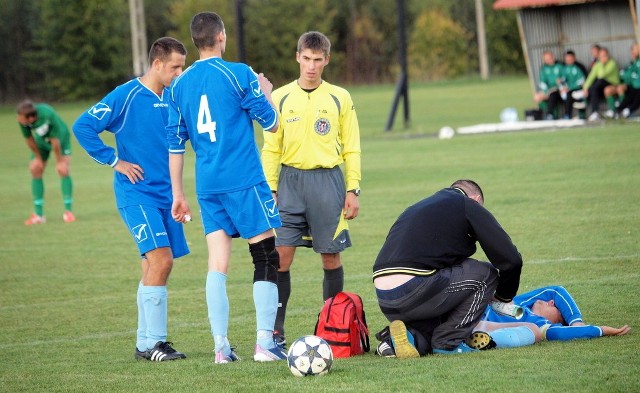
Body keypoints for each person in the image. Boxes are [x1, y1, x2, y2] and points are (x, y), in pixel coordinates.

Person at [166, 12, 286, 364]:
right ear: (221, 36)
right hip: (244, 179)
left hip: (208, 185)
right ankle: (265, 343)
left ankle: (221, 348)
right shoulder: (239, 73)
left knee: (217, 264)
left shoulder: (179, 86)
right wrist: (267, 91)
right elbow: (273, 123)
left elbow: (175, 146)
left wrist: (178, 193)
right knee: (265, 255)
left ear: (194, 41)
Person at [72, 37, 189, 361]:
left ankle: (144, 343)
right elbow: (83, 126)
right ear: (156, 64)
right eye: (174, 67)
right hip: (136, 193)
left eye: (182, 67)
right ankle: (155, 344)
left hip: (167, 195)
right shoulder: (126, 95)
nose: (179, 73)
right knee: (161, 261)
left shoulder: (173, 97)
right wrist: (115, 160)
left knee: (153, 264)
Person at [261, 31, 362, 348]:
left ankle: (332, 328)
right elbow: (271, 148)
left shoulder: (340, 97)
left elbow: (353, 147)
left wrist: (353, 189)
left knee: (331, 258)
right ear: (298, 57)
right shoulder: (280, 97)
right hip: (290, 183)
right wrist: (271, 189)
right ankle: (276, 331)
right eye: (306, 59)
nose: (312, 66)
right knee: (281, 257)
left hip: (328, 183)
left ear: (326, 60)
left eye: (318, 60)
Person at [372, 179, 523, 357]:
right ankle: (447, 342)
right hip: (416, 287)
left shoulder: (416, 208)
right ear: (475, 199)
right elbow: (511, 259)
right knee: (487, 275)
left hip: (386, 300)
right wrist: (503, 297)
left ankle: (404, 338)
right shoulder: (467, 204)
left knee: (433, 332)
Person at [479, 285, 630, 344]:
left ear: (555, 321)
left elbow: (558, 332)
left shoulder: (540, 325)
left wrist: (601, 330)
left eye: (555, 307)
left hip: (473, 320)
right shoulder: (522, 303)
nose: (550, 301)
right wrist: (576, 320)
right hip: (467, 303)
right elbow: (555, 291)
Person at [16, 100, 75, 225]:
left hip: (61, 139)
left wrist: (59, 161)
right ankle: (39, 215)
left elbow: (55, 140)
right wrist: (38, 158)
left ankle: (68, 212)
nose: (19, 119)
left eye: (21, 117)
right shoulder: (23, 120)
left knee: (62, 170)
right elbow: (29, 139)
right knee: (35, 168)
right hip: (42, 142)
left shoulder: (47, 114)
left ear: (31, 118)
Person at [582, 47, 620, 121]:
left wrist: (602, 63)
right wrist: (585, 87)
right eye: (601, 56)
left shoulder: (612, 63)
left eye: (604, 55)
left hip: (612, 83)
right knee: (593, 88)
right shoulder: (597, 64)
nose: (603, 57)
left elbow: (603, 74)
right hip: (601, 85)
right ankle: (595, 112)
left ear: (607, 55)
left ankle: (585, 101)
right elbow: (591, 76)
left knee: (599, 82)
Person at [533, 51, 564, 120]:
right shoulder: (544, 68)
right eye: (545, 59)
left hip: (559, 90)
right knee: (537, 97)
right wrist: (545, 91)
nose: (547, 60)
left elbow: (564, 78)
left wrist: (561, 83)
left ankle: (550, 114)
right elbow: (542, 82)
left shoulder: (560, 66)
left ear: (553, 57)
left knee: (552, 94)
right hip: (549, 90)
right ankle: (541, 116)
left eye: (549, 58)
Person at [615, 43, 640, 118]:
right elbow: (623, 74)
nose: (633, 52)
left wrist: (631, 75)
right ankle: (618, 110)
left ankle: (628, 110)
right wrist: (631, 75)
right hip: (634, 85)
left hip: (637, 86)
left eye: (636, 49)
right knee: (628, 93)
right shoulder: (632, 63)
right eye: (633, 49)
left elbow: (635, 75)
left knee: (637, 95)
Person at [560, 50, 586, 119]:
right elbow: (562, 80)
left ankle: (582, 115)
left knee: (576, 95)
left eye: (570, 59)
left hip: (579, 88)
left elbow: (582, 81)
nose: (568, 60)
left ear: (574, 58)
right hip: (568, 90)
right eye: (567, 59)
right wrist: (562, 87)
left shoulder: (579, 67)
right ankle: (567, 115)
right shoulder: (564, 68)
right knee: (566, 95)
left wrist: (571, 87)